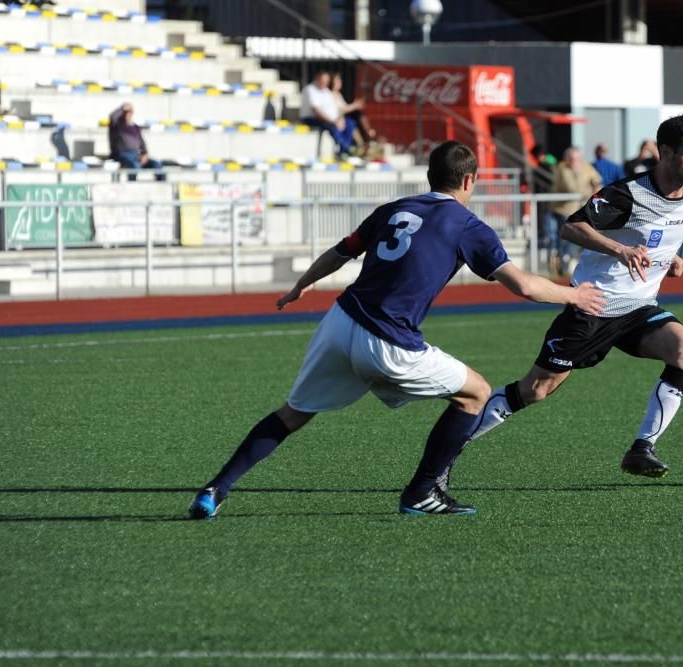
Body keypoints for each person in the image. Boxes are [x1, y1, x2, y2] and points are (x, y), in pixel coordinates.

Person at [187, 141, 604, 520]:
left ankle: (214, 488)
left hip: (340, 322)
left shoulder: (394, 209)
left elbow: (341, 251)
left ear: (429, 177)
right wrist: (574, 296)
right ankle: (422, 492)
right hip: (387, 341)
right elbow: (525, 286)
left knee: (292, 414)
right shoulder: (467, 225)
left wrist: (301, 285)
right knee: (476, 392)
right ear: (469, 180)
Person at [436, 115, 683, 491]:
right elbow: (571, 226)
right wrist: (620, 248)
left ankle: (642, 448)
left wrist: (670, 258)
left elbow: (664, 232)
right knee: (535, 390)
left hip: (639, 307)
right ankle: (448, 450)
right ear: (665, 153)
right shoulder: (627, 194)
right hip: (593, 306)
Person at [548, 146, 603, 277]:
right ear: (567, 159)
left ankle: (567, 265)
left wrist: (595, 189)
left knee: (579, 239)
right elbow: (571, 188)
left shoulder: (586, 167)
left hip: (580, 210)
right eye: (573, 159)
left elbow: (598, 181)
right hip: (563, 210)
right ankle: (561, 266)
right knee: (563, 240)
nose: (576, 161)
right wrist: (587, 191)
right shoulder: (562, 169)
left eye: (578, 158)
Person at [299, 71, 356, 157]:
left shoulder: (326, 91)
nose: (325, 83)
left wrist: (339, 119)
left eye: (327, 81)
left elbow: (334, 109)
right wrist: (333, 121)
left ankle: (344, 149)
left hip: (328, 119)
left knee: (349, 123)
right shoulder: (310, 89)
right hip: (312, 118)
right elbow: (316, 111)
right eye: (323, 81)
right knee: (331, 125)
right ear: (317, 79)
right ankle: (345, 148)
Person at [109, 103, 165, 181]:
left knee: (157, 165)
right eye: (125, 112)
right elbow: (112, 116)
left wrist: (144, 154)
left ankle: (161, 186)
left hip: (136, 155)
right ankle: (132, 186)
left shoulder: (135, 127)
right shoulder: (117, 125)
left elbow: (142, 142)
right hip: (122, 155)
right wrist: (122, 107)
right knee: (135, 166)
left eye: (129, 112)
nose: (127, 114)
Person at [331, 73, 376, 154]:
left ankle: (365, 139)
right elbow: (340, 110)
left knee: (357, 116)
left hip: (343, 116)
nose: (340, 83)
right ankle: (364, 141)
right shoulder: (330, 94)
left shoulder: (338, 94)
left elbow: (345, 107)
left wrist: (354, 105)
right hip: (337, 118)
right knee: (353, 120)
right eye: (337, 81)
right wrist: (354, 106)